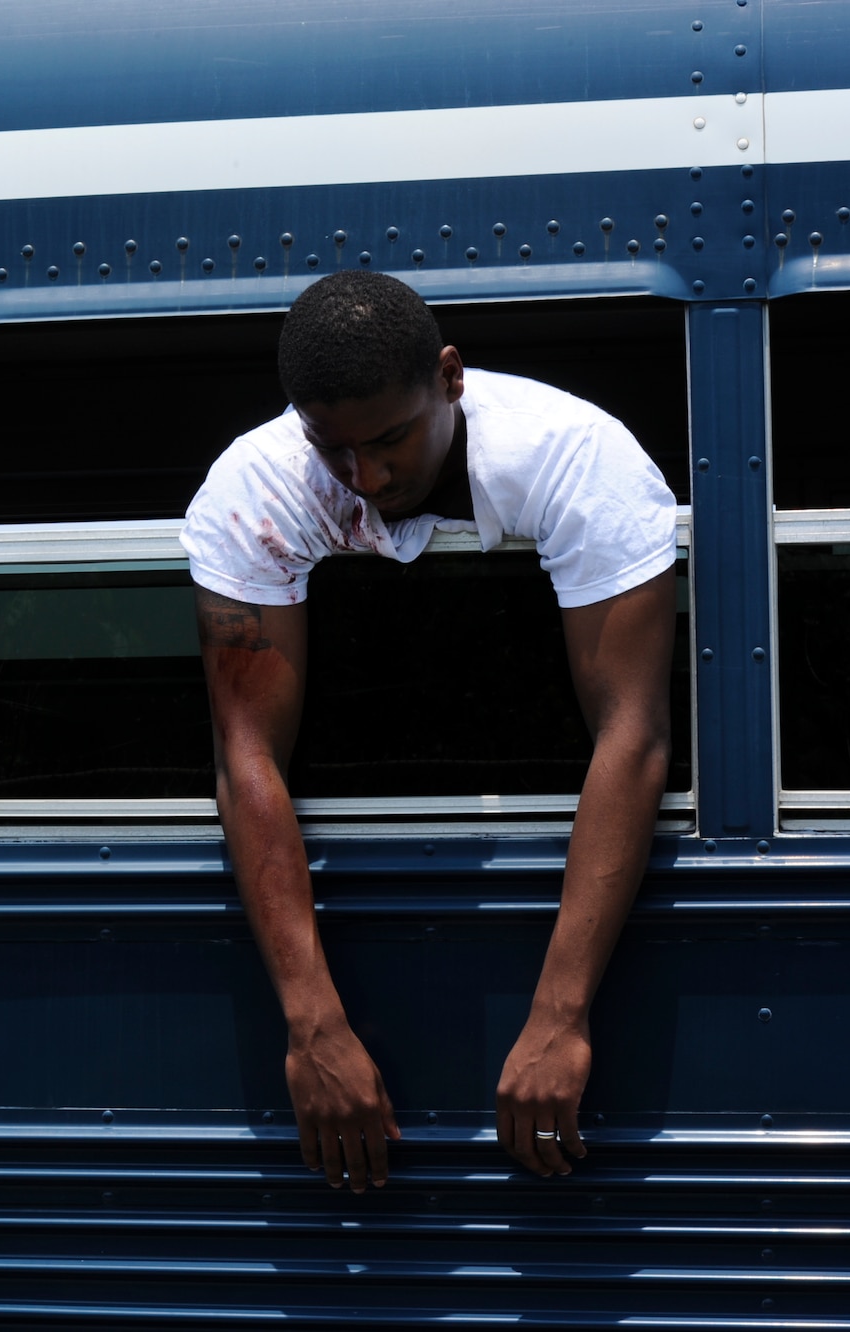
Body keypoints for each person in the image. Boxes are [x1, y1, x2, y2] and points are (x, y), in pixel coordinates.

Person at [181, 271, 676, 1192]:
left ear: (451, 377)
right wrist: (312, 1024)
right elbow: (246, 754)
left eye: (390, 439)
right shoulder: (256, 484)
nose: (366, 477)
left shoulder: (571, 455)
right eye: (333, 448)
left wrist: (561, 1017)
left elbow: (633, 733)